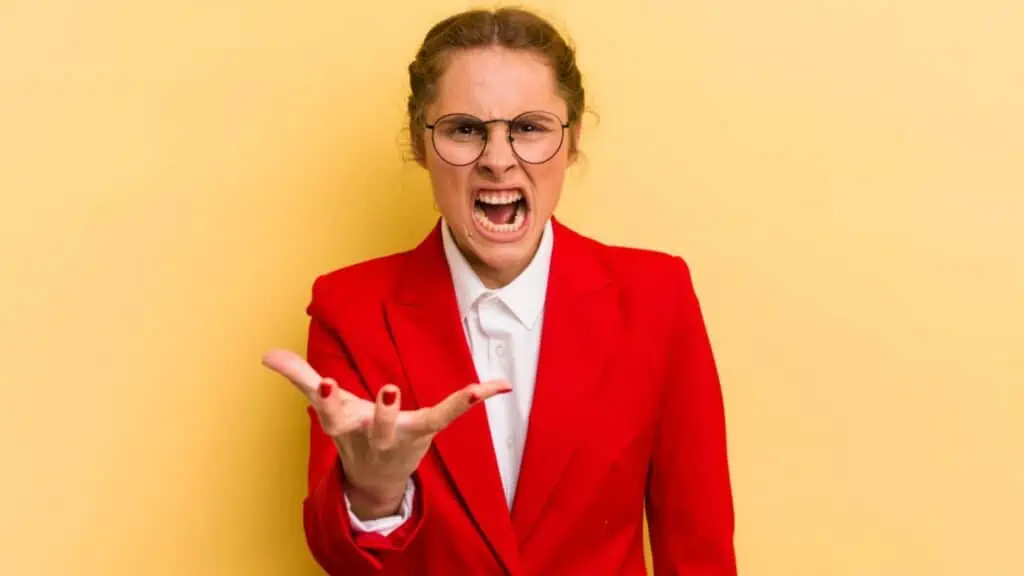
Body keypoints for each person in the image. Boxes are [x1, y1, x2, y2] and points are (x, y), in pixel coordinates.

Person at [262, 7, 736, 575]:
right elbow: (339, 557)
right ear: (420, 143)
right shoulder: (351, 309)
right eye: (464, 129)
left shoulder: (657, 297)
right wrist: (374, 492)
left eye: (530, 127)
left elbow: (699, 548)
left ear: (573, 139)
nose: (497, 159)